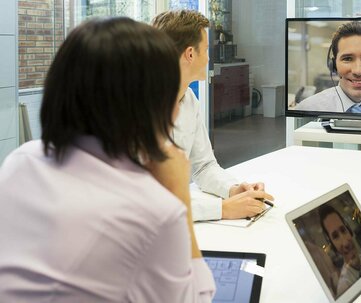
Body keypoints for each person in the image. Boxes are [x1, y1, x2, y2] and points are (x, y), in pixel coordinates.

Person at [0, 17, 215, 302]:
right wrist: (178, 198)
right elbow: (195, 298)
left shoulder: (20, 163)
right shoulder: (154, 211)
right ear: (147, 100)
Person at [152, 10, 274, 221]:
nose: (209, 57)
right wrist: (222, 209)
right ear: (190, 54)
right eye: (207, 49)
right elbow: (150, 199)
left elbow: (204, 166)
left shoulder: (188, 98)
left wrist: (234, 190)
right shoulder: (136, 108)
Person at [319, 205, 361, 296]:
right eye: (335, 236)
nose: (345, 243)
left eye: (343, 230)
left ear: (349, 231)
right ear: (333, 246)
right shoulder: (344, 289)